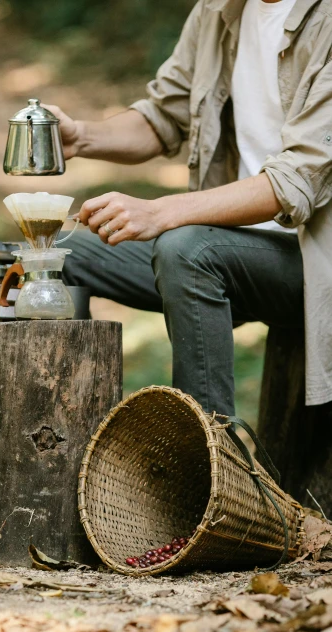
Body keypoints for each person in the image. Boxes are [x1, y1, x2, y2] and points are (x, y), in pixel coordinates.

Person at [50, 0, 332, 416]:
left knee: (188, 249)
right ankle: (70, 444)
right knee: (58, 256)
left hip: (315, 262)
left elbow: (299, 179)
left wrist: (161, 212)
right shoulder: (218, 10)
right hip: (236, 250)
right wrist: (82, 137)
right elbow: (164, 115)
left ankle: (210, 463)